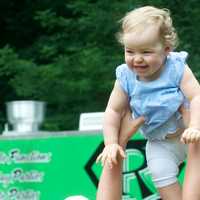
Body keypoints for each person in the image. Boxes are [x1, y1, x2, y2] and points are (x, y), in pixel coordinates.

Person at [96, 6, 200, 200]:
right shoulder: (125, 77)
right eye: (130, 51)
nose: (137, 59)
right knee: (159, 172)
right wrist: (111, 143)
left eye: (146, 52)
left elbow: (196, 96)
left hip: (189, 132)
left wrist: (194, 126)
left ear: (167, 49)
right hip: (160, 141)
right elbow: (113, 111)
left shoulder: (176, 67)